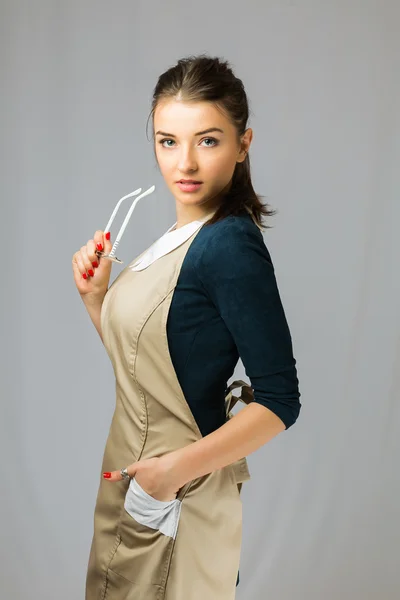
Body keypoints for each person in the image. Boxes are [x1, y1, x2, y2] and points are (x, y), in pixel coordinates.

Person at [72, 54, 301, 600]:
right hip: (135, 483)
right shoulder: (179, 238)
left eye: (209, 140)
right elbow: (151, 375)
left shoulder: (229, 245)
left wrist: (170, 475)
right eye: (168, 141)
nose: (186, 163)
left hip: (176, 497)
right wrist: (96, 299)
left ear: (244, 144)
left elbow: (280, 401)